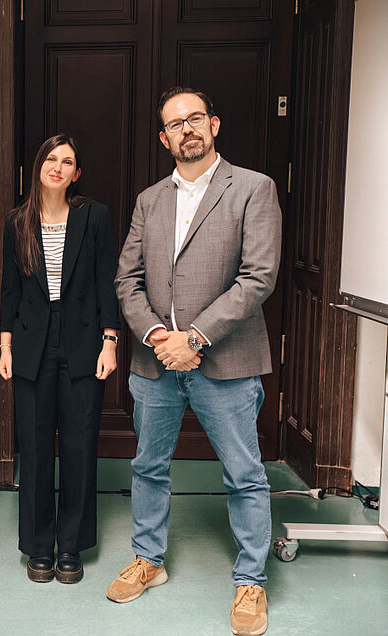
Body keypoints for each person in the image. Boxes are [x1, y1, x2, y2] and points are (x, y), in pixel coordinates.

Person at [110, 87, 282, 636]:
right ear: (164, 139)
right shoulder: (149, 199)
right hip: (156, 362)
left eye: (195, 118)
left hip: (226, 362)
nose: (186, 129)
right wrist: (159, 334)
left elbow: (258, 276)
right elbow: (127, 279)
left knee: (244, 474)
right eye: (174, 124)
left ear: (214, 124)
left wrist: (196, 337)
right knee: (148, 466)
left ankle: (250, 580)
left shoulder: (253, 187)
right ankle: (149, 560)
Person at [0, 134, 120, 584]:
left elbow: (107, 281)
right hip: (31, 343)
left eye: (67, 162)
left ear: (76, 174)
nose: (58, 167)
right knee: (33, 447)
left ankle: (70, 544)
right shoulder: (17, 222)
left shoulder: (94, 217)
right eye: (51, 159)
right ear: (39, 167)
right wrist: (5, 348)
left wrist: (110, 341)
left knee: (78, 445)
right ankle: (38, 545)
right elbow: (9, 290)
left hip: (84, 341)